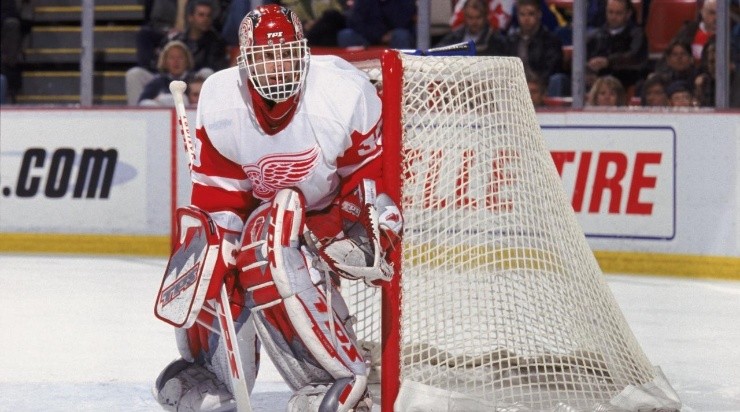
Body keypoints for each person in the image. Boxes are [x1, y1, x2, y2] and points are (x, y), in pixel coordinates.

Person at [152, 5, 402, 411]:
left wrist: (362, 222)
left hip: (330, 216)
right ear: (245, 62)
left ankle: (335, 380)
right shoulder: (221, 99)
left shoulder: (342, 92)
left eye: (286, 53)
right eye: (266, 56)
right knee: (211, 264)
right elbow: (222, 195)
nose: (278, 66)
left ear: (303, 52)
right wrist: (218, 249)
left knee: (268, 252)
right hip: (265, 215)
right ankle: (214, 376)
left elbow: (368, 176)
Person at [126, 0, 228, 105]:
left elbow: (217, 68)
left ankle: (204, 110)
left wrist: (188, 72)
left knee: (207, 72)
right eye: (201, 15)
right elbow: (163, 58)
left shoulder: (216, 41)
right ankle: (136, 114)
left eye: (208, 16)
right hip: (165, 78)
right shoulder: (176, 37)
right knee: (134, 74)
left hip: (192, 80)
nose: (205, 19)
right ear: (190, 17)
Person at [504, 0, 564, 95]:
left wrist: (536, 83)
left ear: (539, 15)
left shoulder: (550, 41)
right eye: (522, 14)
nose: (526, 19)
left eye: (531, 14)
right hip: (514, 87)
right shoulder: (511, 41)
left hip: (540, 87)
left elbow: (551, 70)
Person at [585, 0, 648, 91]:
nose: (613, 17)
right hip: (595, 83)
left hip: (625, 82)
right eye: (610, 12)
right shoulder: (595, 36)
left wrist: (608, 62)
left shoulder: (637, 35)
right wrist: (589, 73)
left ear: (628, 14)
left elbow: (635, 57)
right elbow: (584, 58)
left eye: (618, 13)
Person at [435, 0, 508, 56]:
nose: (474, 22)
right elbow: (437, 53)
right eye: (470, 18)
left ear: (486, 16)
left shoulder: (496, 41)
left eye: (478, 17)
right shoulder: (454, 37)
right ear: (464, 16)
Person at [337, 0, 415, 49]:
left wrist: (389, 34)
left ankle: (403, 65)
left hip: (393, 35)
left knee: (401, 35)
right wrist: (379, 36)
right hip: (369, 36)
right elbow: (355, 22)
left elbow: (405, 20)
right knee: (345, 35)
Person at [138, 40, 193, 106]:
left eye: (180, 57)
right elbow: (142, 102)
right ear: (165, 62)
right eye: (171, 58)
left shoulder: (194, 80)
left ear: (187, 61)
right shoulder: (157, 82)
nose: (176, 61)